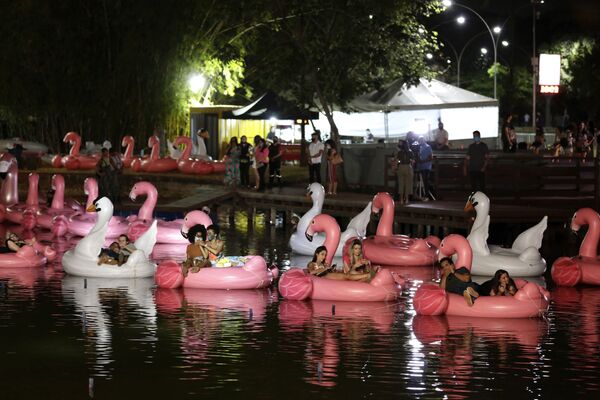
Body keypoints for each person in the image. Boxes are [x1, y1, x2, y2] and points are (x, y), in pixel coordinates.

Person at [394, 139, 414, 205]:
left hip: (401, 167)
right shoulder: (410, 152)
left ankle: (401, 200)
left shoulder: (400, 152)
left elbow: (397, 161)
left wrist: (396, 168)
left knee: (401, 184)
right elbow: (413, 161)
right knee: (408, 184)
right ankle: (407, 199)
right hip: (408, 167)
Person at [416, 136, 433, 201]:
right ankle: (420, 195)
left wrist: (422, 161)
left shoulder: (428, 147)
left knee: (425, 181)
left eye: (421, 140)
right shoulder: (419, 147)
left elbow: (431, 157)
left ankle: (426, 196)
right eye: (419, 140)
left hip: (426, 167)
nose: (420, 141)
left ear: (424, 140)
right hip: (420, 167)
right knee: (419, 182)